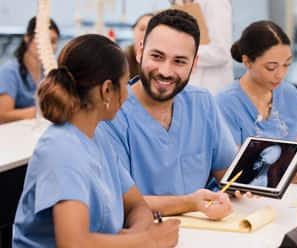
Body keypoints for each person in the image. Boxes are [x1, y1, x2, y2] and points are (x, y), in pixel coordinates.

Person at [13, 34, 179, 247]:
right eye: (125, 84)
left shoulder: (98, 136)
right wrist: (149, 241)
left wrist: (135, 237)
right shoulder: (60, 149)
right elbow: (74, 243)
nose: (128, 94)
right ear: (107, 90)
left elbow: (138, 206)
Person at [97, 9, 235, 221]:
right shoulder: (110, 114)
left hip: (207, 232)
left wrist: (245, 187)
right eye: (157, 56)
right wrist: (191, 203)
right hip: (144, 234)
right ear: (139, 51)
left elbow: (228, 175)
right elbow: (119, 202)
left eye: (179, 61)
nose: (166, 71)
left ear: (194, 64)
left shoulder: (202, 103)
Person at [216, 21, 297, 186]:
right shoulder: (226, 103)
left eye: (286, 65)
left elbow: (293, 157)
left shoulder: (288, 94)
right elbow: (235, 172)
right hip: (240, 198)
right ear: (247, 61)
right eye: (271, 67)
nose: (280, 74)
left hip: (286, 191)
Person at [0, 17, 59, 124]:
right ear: (27, 38)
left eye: (53, 41)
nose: (48, 46)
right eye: (42, 40)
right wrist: (41, 112)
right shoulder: (10, 71)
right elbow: (3, 115)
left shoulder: (50, 73)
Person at [169, 0, 233, 95]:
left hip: (211, 89)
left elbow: (221, 52)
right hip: (187, 89)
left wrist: (180, 51)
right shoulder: (179, 4)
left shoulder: (215, 3)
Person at [126, 13, 154, 79]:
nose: (146, 33)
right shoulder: (121, 60)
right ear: (133, 31)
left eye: (151, 29)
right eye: (142, 29)